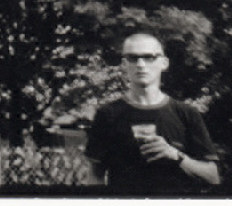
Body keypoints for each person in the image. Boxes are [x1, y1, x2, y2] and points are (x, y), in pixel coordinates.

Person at [83, 32, 221, 192]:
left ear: (164, 63)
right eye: (133, 58)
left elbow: (213, 177)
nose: (141, 64)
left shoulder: (186, 114)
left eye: (149, 57)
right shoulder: (108, 114)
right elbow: (95, 175)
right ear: (124, 64)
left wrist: (176, 155)